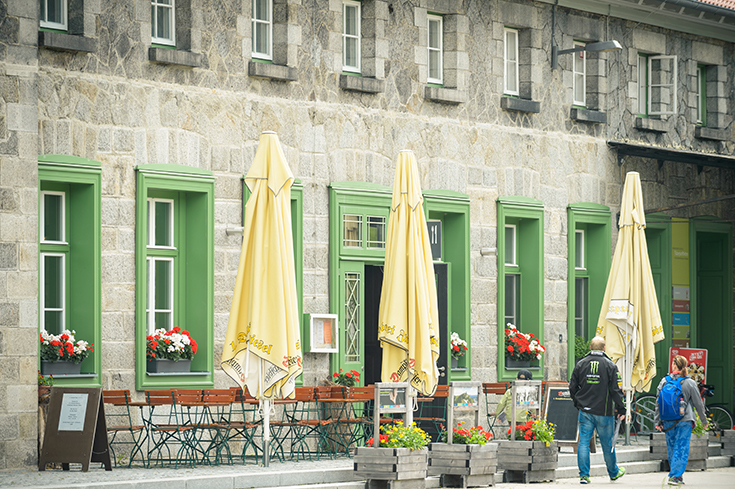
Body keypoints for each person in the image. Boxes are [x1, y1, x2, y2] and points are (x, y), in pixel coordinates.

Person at [569, 336, 626, 485]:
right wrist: (621, 408)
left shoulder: (580, 364)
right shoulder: (610, 365)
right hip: (604, 411)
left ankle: (584, 475)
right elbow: (615, 390)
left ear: (590, 348)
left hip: (585, 410)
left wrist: (577, 403)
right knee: (607, 443)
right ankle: (613, 473)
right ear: (604, 348)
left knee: (583, 442)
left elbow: (572, 387)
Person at [654, 355, 708, 487]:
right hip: (685, 420)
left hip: (667, 419)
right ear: (685, 366)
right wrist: (704, 420)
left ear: (673, 366)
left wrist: (657, 421)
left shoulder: (664, 381)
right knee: (681, 447)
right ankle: (676, 476)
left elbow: (658, 403)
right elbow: (698, 404)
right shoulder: (689, 382)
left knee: (672, 447)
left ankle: (676, 474)